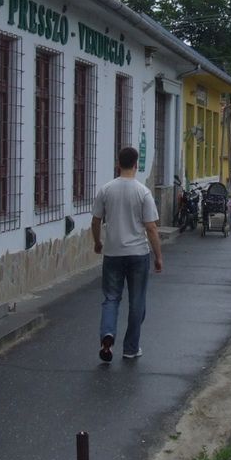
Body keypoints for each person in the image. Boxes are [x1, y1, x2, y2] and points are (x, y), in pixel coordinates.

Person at [91, 146, 164, 362]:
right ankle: (131, 348)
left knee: (111, 298)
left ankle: (107, 335)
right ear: (135, 164)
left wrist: (98, 242)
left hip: (113, 253)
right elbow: (151, 227)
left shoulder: (106, 190)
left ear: (118, 164)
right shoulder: (143, 192)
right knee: (137, 301)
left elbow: (96, 220)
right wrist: (158, 256)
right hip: (138, 254)